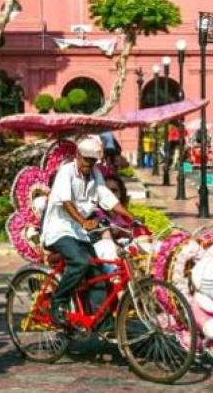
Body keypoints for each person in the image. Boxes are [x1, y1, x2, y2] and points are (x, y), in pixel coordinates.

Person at [42, 135, 136, 330]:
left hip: (79, 232)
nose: (88, 164)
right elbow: (66, 201)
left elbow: (107, 197)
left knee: (96, 271)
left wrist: (130, 217)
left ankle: (99, 320)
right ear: (77, 155)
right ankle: (57, 303)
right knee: (81, 262)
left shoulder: (95, 174)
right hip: (59, 229)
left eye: (93, 160)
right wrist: (83, 221)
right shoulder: (66, 172)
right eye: (86, 159)